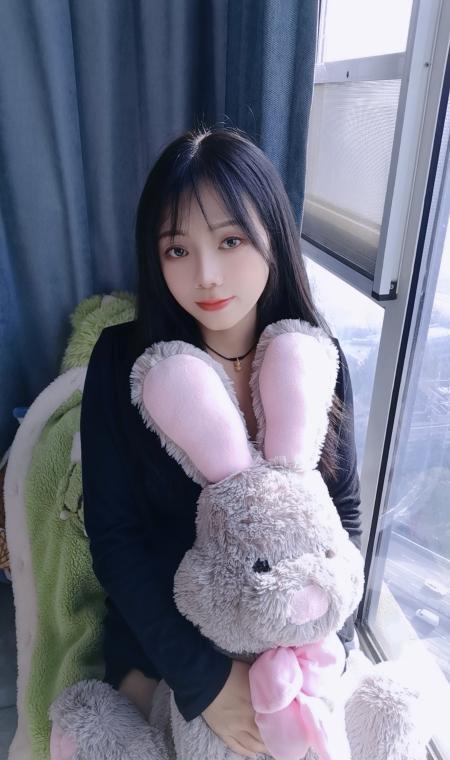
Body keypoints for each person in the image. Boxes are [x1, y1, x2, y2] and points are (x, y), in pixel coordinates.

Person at [81, 125, 362, 759]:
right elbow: (116, 540)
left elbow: (342, 516)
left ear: (273, 237)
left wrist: (326, 650)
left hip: (294, 640)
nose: (206, 275)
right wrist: (204, 681)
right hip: (169, 642)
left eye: (230, 240)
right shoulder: (122, 362)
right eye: (177, 249)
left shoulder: (316, 357)